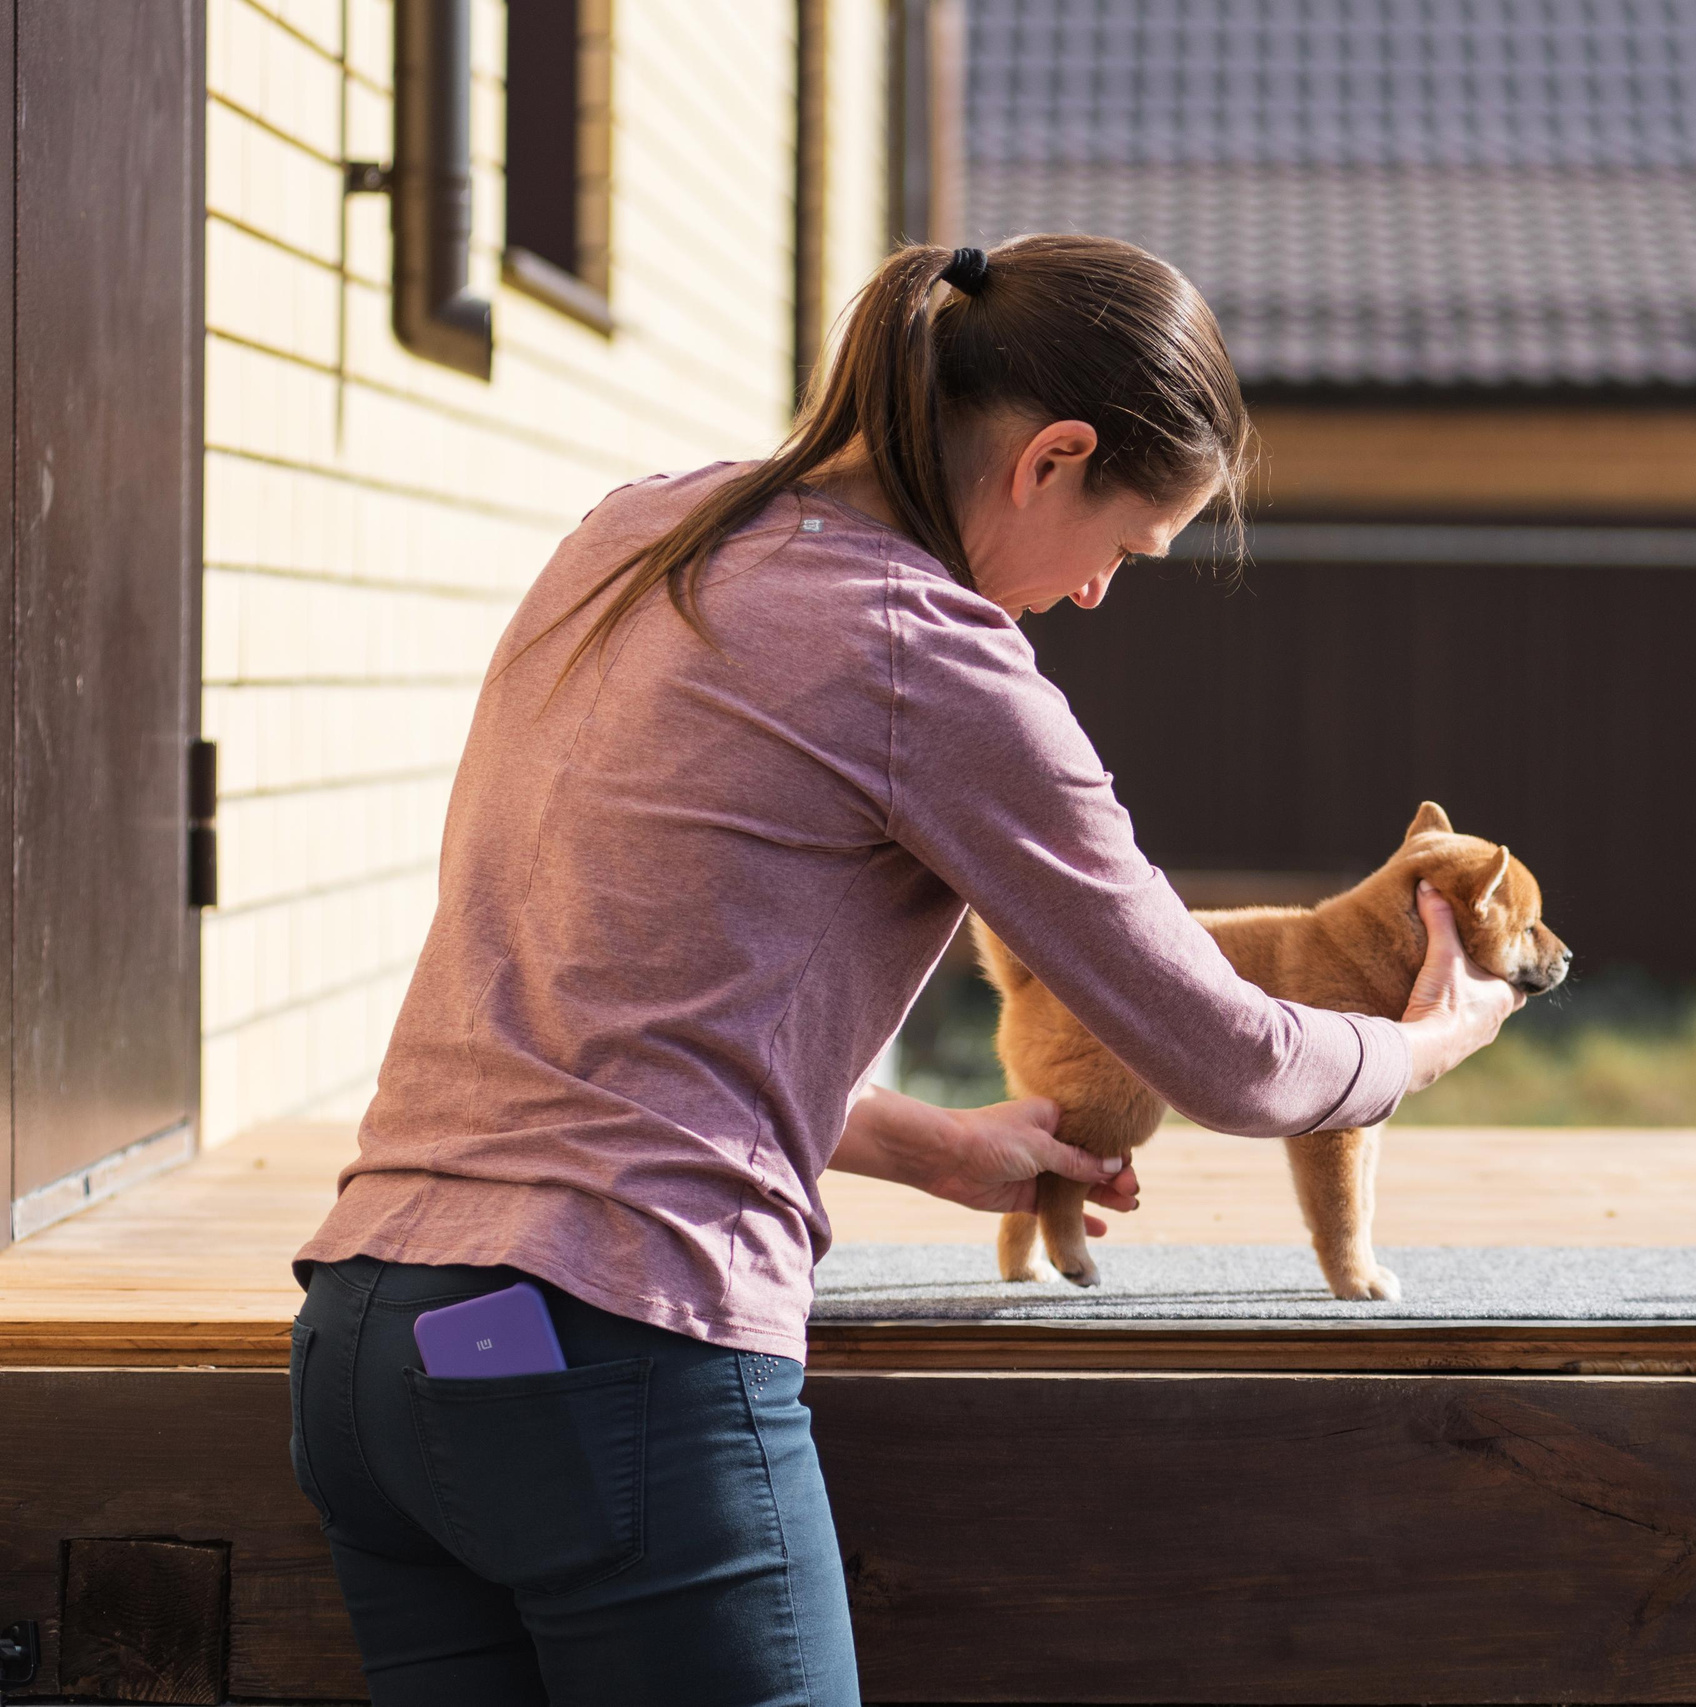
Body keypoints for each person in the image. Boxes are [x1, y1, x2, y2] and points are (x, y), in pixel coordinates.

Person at [284, 236, 1524, 1707]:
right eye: (1125, 550)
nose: (1093, 600)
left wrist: (935, 1147)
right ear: (1053, 458)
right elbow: (1240, 1063)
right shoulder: (927, 657)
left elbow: (607, 992)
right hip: (608, 1354)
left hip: (383, 1341)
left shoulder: (634, 533)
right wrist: (1437, 1035)